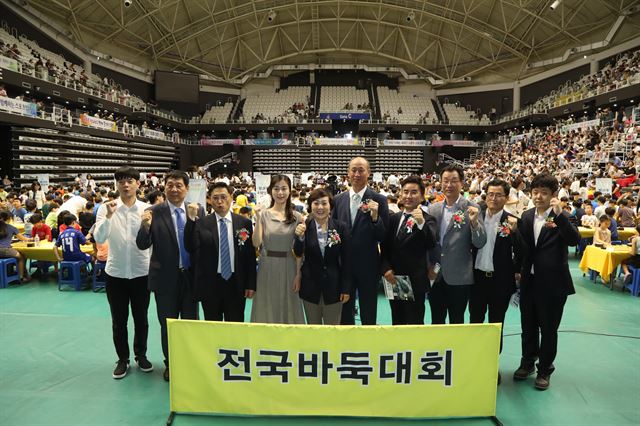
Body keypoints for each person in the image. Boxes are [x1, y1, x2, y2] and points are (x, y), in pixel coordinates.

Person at [513, 173, 580, 391]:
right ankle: (527, 362)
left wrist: (560, 216)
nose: (539, 196)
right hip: (529, 281)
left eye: (544, 193)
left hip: (553, 284)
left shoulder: (564, 216)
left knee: (549, 328)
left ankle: (544, 370)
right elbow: (522, 249)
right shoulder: (526, 215)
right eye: (535, 192)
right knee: (528, 325)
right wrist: (516, 270)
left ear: (553, 195)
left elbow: (574, 240)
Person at [136, 171, 201, 382]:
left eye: (179, 185)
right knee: (168, 325)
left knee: (191, 323)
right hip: (165, 279)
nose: (174, 189)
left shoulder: (196, 210)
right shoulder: (153, 212)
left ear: (187, 188)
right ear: (164, 188)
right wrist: (144, 225)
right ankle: (171, 364)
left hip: (190, 279)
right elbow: (142, 244)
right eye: (170, 185)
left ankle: (191, 361)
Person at [94, 167, 153, 380]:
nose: (125, 185)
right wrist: (109, 217)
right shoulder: (106, 208)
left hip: (141, 272)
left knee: (142, 319)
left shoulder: (147, 209)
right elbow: (100, 237)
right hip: (116, 273)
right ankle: (123, 359)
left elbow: (151, 241)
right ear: (116, 184)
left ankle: (141, 355)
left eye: (130, 180)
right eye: (121, 181)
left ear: (138, 184)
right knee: (119, 320)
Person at [470, 179, 521, 385]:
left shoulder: (512, 221)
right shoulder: (475, 217)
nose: (493, 198)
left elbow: (522, 252)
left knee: (495, 325)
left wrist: (516, 233)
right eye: (490, 194)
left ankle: (492, 365)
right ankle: (473, 363)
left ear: (506, 198)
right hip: (477, 280)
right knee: (474, 322)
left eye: (498, 194)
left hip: (500, 281)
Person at [185, 182, 256, 322]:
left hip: (236, 282)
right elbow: (190, 246)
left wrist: (250, 284)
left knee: (235, 325)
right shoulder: (201, 223)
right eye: (215, 198)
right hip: (210, 284)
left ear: (231, 198)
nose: (220, 201)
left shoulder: (244, 223)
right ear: (209, 200)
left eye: (223, 197)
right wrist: (191, 220)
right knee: (212, 327)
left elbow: (249, 256)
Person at [332, 157, 389, 325]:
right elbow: (333, 231)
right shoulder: (337, 200)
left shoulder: (379, 200)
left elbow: (382, 235)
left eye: (361, 170)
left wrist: (375, 217)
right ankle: (347, 347)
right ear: (348, 173)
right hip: (344, 265)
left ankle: (368, 346)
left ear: (368, 173)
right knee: (344, 311)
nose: (357, 174)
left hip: (368, 265)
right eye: (353, 170)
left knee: (368, 310)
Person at [427, 164, 486, 324]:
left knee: (457, 321)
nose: (449, 185)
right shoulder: (433, 209)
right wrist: (428, 266)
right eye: (445, 181)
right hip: (435, 276)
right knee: (436, 321)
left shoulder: (472, 208)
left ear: (462, 183)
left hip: (459, 277)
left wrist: (474, 224)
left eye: (454, 181)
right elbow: (428, 242)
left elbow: (480, 242)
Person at [381, 175, 437, 325]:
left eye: (413, 192)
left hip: (415, 281)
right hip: (394, 279)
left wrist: (421, 223)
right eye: (405, 192)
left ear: (421, 195)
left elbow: (432, 243)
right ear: (400, 194)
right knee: (397, 321)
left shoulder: (428, 219)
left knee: (415, 322)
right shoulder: (393, 219)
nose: (408, 196)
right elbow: (384, 248)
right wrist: (386, 269)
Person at [251, 175, 305, 324]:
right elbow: (256, 243)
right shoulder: (264, 214)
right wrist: (257, 218)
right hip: (267, 266)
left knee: (289, 305)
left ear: (289, 191)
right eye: (276, 189)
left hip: (290, 265)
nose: (280, 193)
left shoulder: (297, 217)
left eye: (284, 189)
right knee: (266, 304)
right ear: (270, 191)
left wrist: (298, 274)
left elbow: (300, 250)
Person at [293, 188, 351, 325]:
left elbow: (347, 260)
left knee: (333, 331)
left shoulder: (341, 227)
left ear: (330, 206)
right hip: (310, 287)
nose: (320, 207)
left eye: (324, 203)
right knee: (313, 331)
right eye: (316, 203)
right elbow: (298, 252)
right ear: (310, 206)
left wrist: (345, 288)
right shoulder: (304, 227)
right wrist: (299, 238)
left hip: (334, 287)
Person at [0, 210, 31, 282]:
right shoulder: (11, 227)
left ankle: (10, 272)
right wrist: (31, 239)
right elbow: (24, 239)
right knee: (21, 257)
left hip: (4, 250)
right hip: (4, 249)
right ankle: (21, 277)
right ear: (9, 218)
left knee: (18, 254)